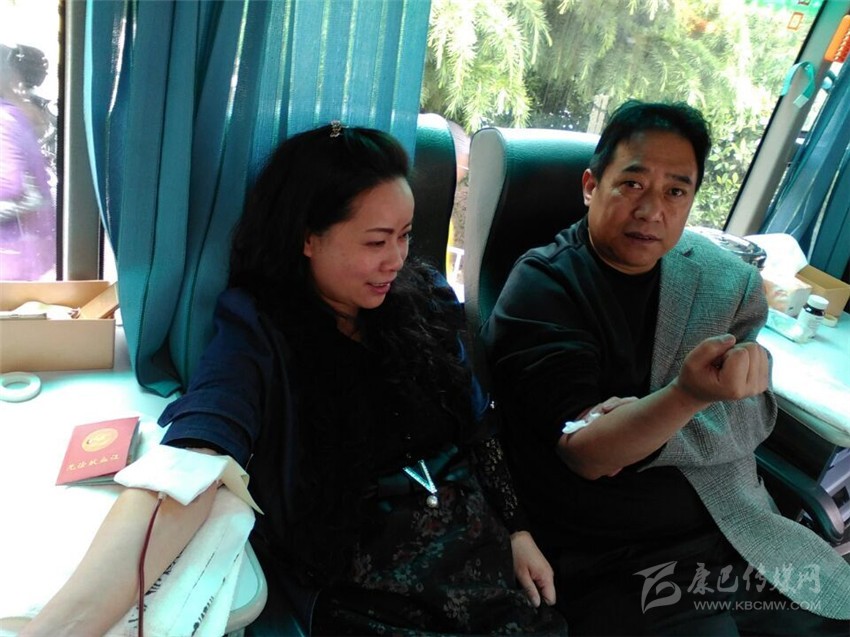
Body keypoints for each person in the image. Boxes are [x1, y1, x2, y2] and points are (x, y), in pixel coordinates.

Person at [21, 123, 566, 636]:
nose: (397, 260)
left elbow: (478, 426)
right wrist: (63, 626)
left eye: (404, 236)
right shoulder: (260, 326)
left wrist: (518, 529)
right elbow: (199, 453)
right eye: (376, 242)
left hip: (480, 555)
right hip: (369, 588)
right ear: (308, 238)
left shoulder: (425, 299)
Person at [481, 100, 850, 635]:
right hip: (619, 559)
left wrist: (646, 425)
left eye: (676, 192)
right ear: (591, 185)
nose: (652, 210)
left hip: (737, 528)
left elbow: (753, 417)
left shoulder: (724, 281)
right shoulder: (543, 287)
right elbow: (588, 452)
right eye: (632, 184)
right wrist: (686, 397)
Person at [0, 43, 55, 281]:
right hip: (27, 255)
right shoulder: (14, 115)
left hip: (10, 260)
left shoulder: (3, 120)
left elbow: (9, 188)